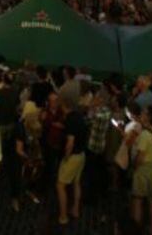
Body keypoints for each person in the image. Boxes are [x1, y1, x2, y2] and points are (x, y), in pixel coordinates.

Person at [127, 104, 152, 235]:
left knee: (138, 200)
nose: (141, 114)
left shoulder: (144, 135)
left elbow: (140, 158)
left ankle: (135, 230)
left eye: (143, 113)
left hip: (143, 171)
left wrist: (134, 167)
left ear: (148, 117)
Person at [57, 95, 87, 225]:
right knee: (76, 183)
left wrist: (65, 157)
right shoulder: (79, 116)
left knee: (60, 185)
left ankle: (63, 216)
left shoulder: (69, 119)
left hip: (73, 157)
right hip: (82, 155)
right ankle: (75, 209)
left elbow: (70, 142)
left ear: (64, 105)